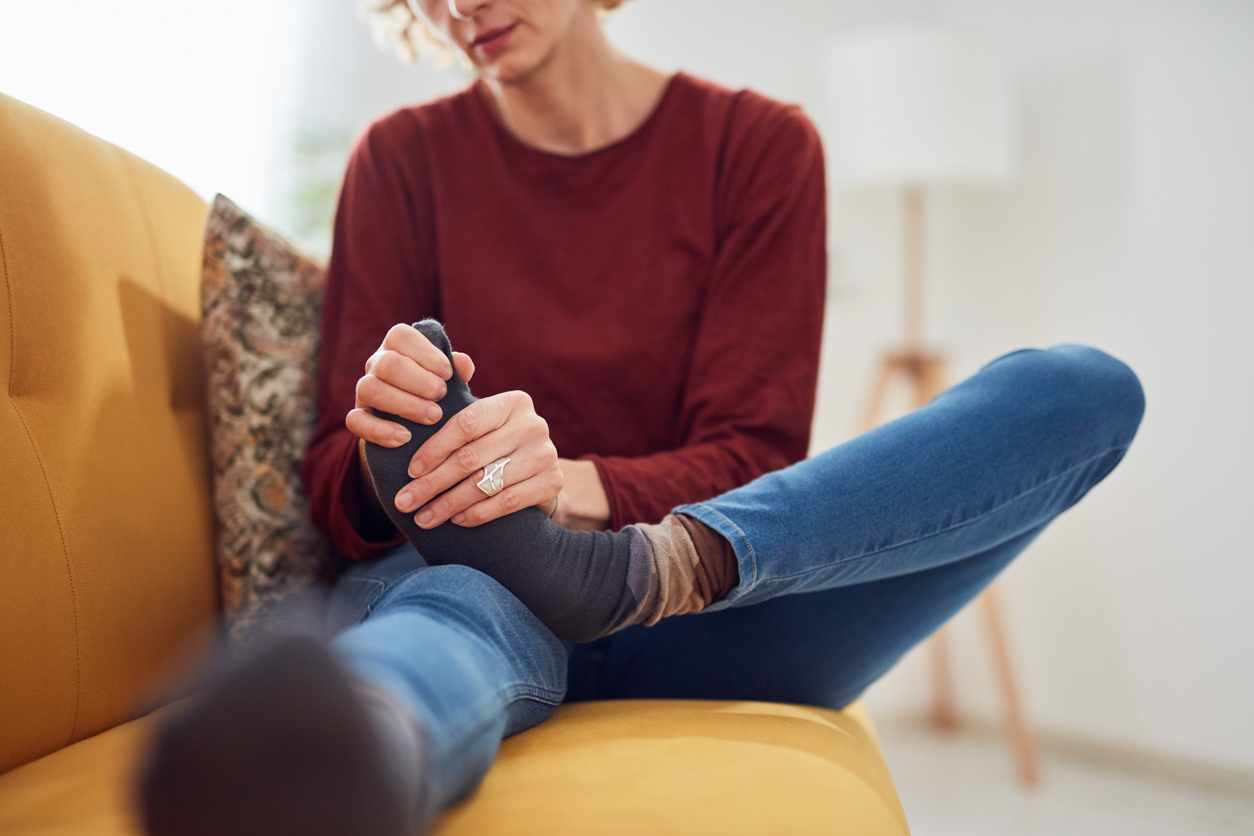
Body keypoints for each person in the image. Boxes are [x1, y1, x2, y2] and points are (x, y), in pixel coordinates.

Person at [137, 2, 1146, 835]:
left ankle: (616, 573)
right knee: (447, 618)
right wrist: (393, 446)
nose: (459, 9)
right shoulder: (401, 159)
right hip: (475, 584)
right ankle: (334, 759)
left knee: (1084, 390)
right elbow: (331, 484)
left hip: (703, 589)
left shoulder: (758, 148)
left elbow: (756, 451)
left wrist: (561, 487)